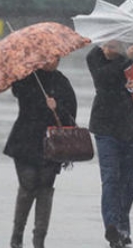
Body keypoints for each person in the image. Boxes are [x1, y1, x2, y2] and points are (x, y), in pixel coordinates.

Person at [86, 40, 133, 248]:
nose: (106, 49)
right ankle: (112, 226)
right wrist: (126, 60)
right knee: (111, 178)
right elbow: (103, 79)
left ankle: (122, 227)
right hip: (105, 128)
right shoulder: (94, 56)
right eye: (105, 45)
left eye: (112, 46)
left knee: (128, 182)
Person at [4, 58, 78, 248]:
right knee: (28, 184)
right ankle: (17, 233)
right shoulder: (27, 77)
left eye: (57, 58)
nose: (53, 61)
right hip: (25, 140)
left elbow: (71, 114)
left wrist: (57, 107)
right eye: (49, 57)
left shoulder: (61, 82)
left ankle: (39, 239)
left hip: (52, 143)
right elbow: (17, 91)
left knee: (45, 188)